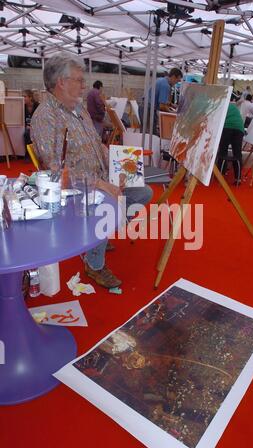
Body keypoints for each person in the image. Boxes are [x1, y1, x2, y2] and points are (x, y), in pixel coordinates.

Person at [31, 52, 153, 289]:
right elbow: (58, 171)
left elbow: (98, 145)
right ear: (61, 82)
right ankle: (93, 263)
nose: (84, 85)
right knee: (106, 203)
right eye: (79, 80)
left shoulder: (79, 109)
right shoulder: (45, 116)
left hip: (97, 179)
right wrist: (101, 184)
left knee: (142, 192)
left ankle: (100, 233)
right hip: (74, 190)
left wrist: (118, 165)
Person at [139, 67, 183, 135]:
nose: (176, 83)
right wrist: (173, 113)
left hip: (145, 107)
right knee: (149, 134)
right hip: (147, 109)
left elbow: (161, 100)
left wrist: (171, 105)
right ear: (173, 77)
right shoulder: (165, 85)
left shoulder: (161, 80)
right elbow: (162, 106)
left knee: (145, 133)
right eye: (177, 81)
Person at [217, 102, 245, 185]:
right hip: (239, 128)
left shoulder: (219, 104)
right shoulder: (232, 106)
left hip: (226, 127)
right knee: (237, 154)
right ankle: (238, 179)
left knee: (222, 151)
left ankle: (220, 176)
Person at [23, 89, 39, 158]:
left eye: (24, 96)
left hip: (36, 127)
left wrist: (32, 126)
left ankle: (30, 154)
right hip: (26, 127)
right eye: (22, 96)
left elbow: (40, 120)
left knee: (28, 133)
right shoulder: (22, 106)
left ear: (30, 97)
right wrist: (26, 126)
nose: (23, 98)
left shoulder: (37, 106)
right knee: (26, 133)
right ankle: (27, 154)